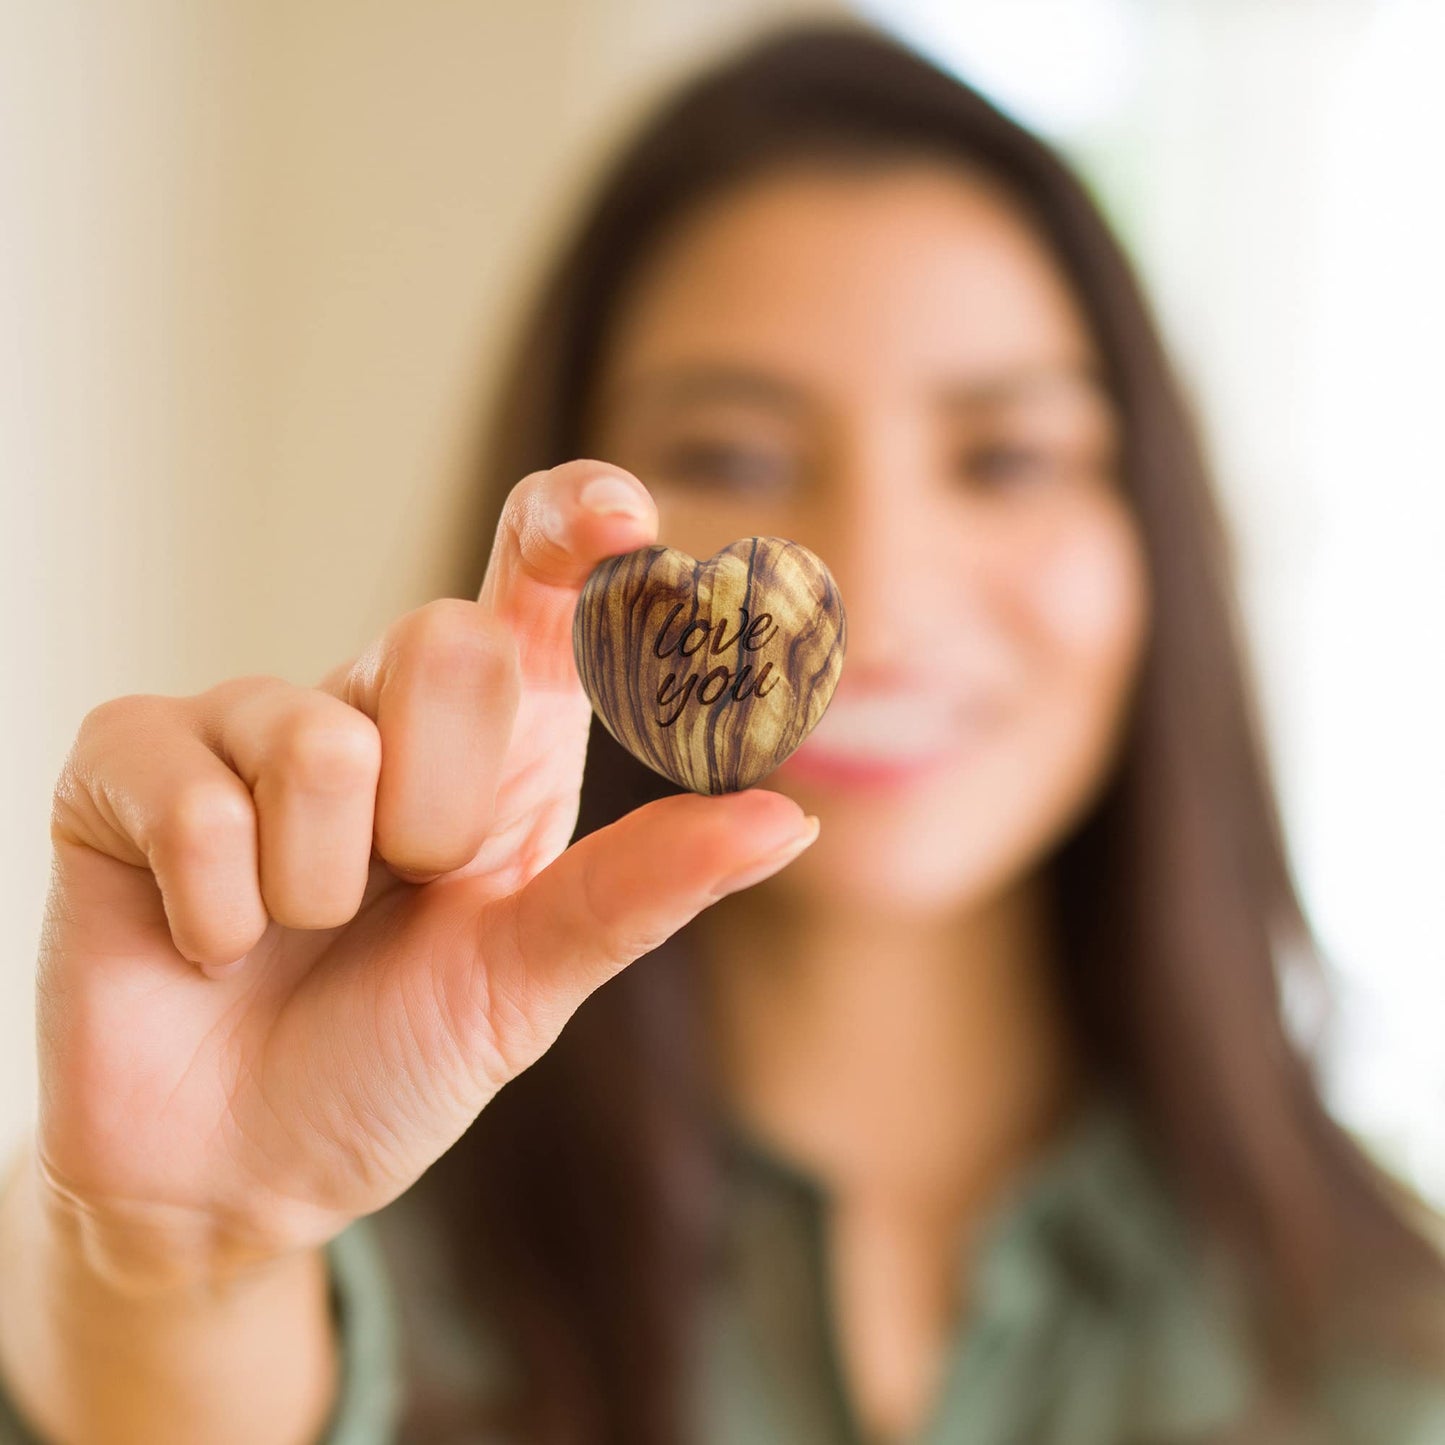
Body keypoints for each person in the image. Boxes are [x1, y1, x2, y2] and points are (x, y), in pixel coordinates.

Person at [1, 17, 1443, 1445]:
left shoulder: (1392, 1335)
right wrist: (176, 1270)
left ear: (1157, 541)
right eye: (734, 454)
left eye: (1005, 455)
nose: (869, 587)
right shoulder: (345, 1225)